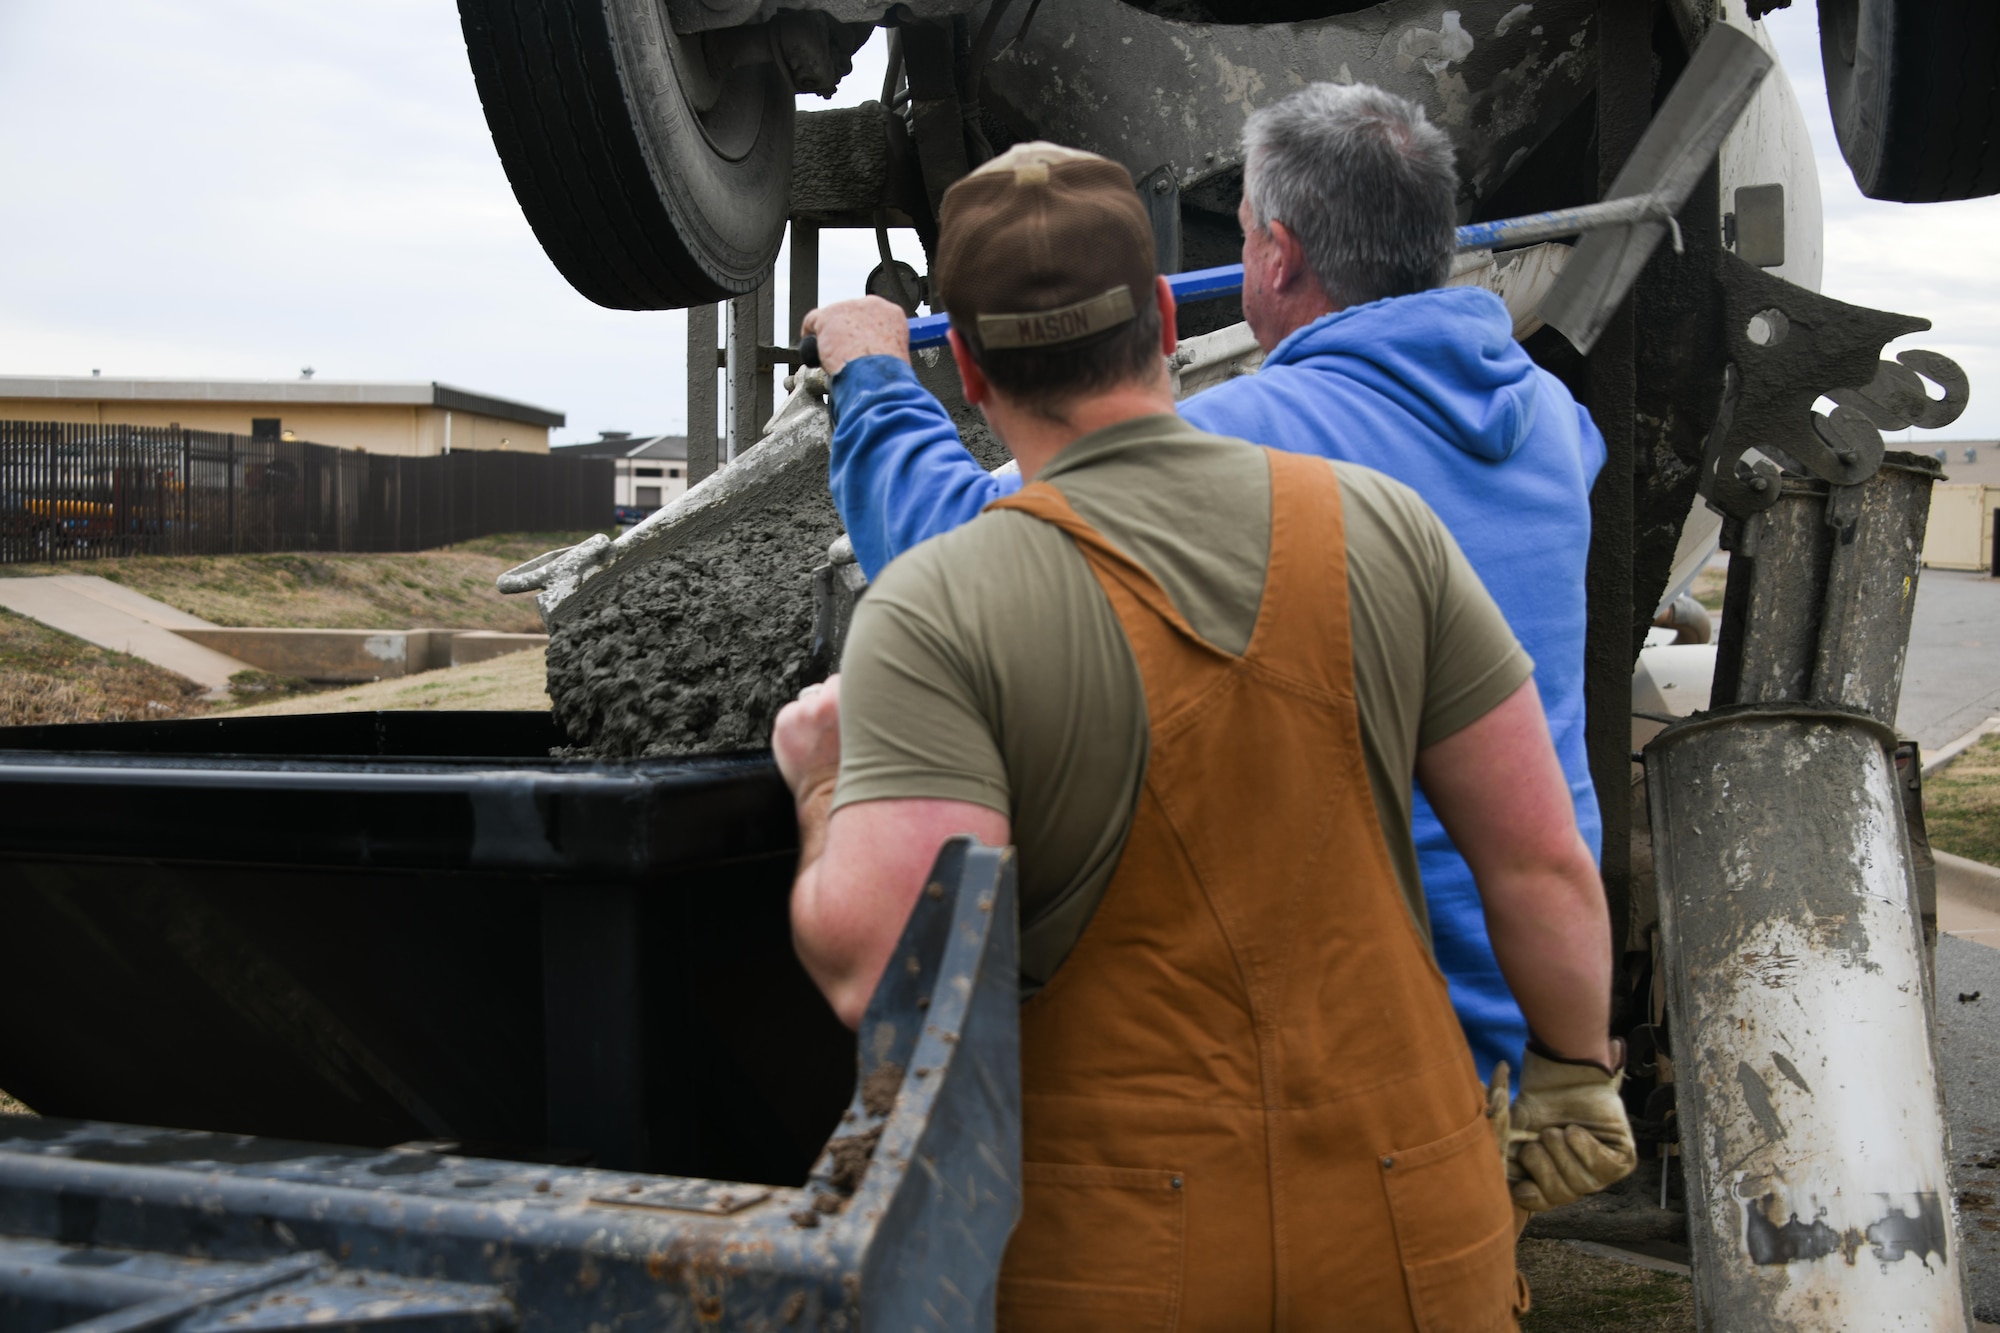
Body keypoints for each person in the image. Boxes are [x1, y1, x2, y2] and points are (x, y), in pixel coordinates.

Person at [774, 140, 1632, 1328]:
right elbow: (1538, 860)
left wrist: (824, 787)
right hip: (1413, 1223)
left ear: (965, 369)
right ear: (1167, 322)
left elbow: (881, 966)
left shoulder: (942, 596)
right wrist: (1574, 1073)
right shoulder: (1389, 523)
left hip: (1118, 1254)